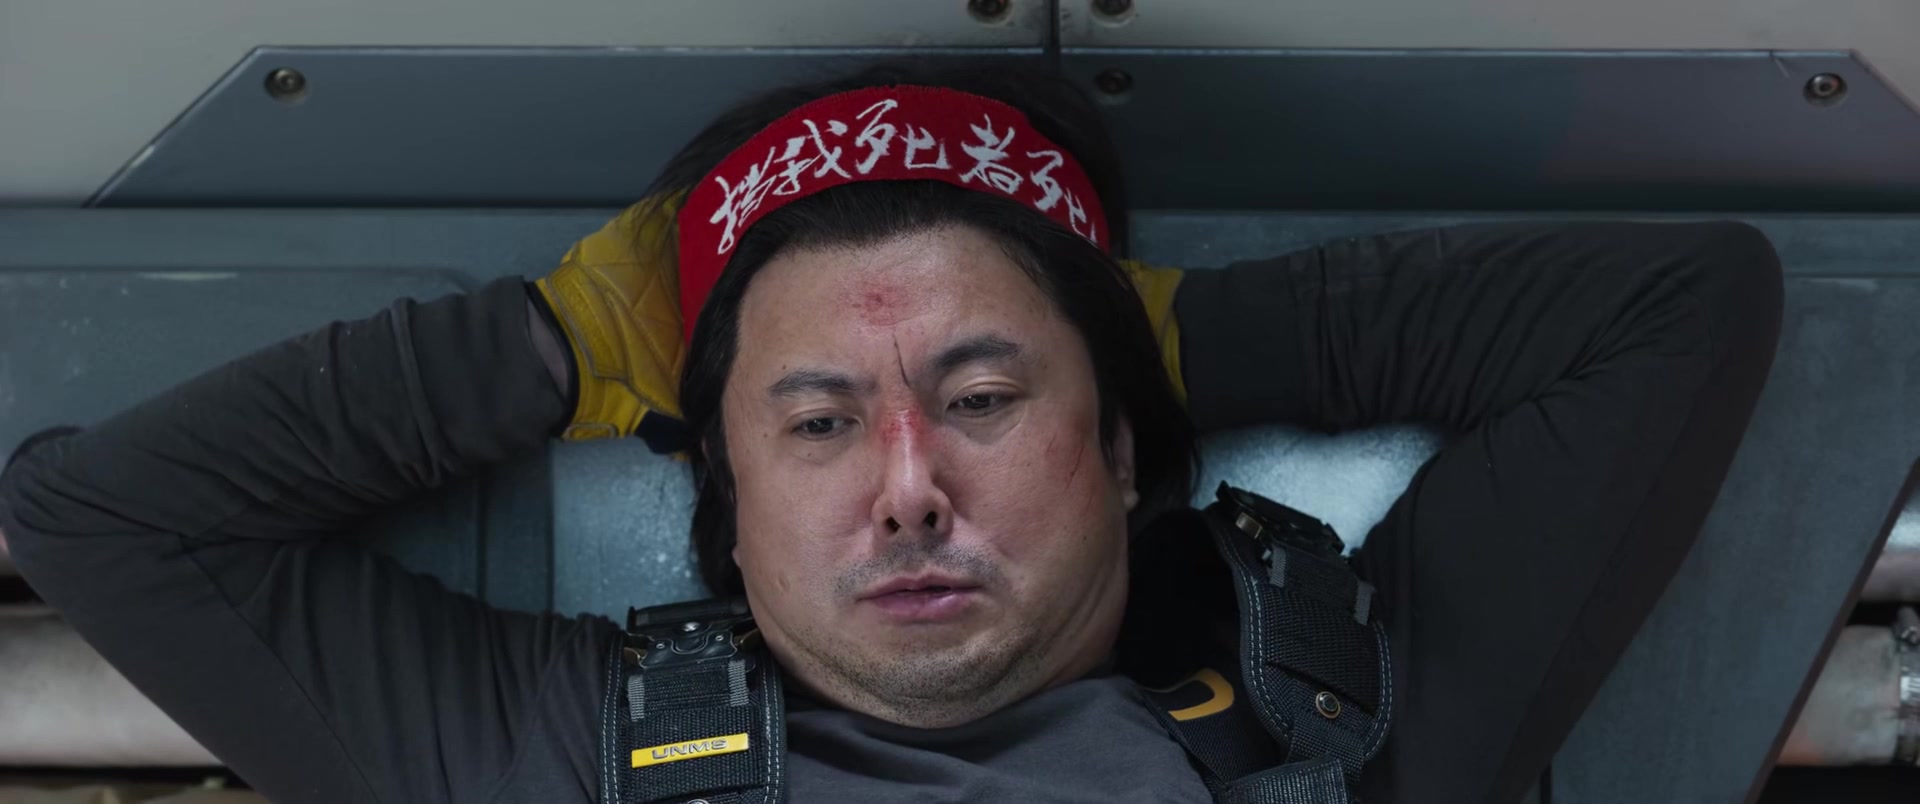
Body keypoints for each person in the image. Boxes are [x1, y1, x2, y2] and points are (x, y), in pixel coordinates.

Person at [0, 61, 1784, 803]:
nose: (911, 485)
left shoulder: (1347, 732)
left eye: (985, 399)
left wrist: (1172, 338)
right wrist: (567, 343)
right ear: (722, 494)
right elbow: (109, 525)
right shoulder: (557, 762)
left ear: (1125, 452)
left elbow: (1683, 303)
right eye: (818, 420)